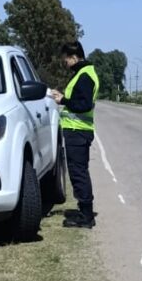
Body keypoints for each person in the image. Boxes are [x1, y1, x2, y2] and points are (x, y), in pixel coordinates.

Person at [49, 41, 98, 229]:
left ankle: (86, 216)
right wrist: (63, 97)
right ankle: (84, 211)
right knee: (79, 172)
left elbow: (83, 105)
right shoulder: (83, 73)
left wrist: (63, 100)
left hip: (78, 132)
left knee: (79, 174)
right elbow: (78, 100)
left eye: (66, 59)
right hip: (77, 131)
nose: (65, 63)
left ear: (74, 57)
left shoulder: (84, 76)